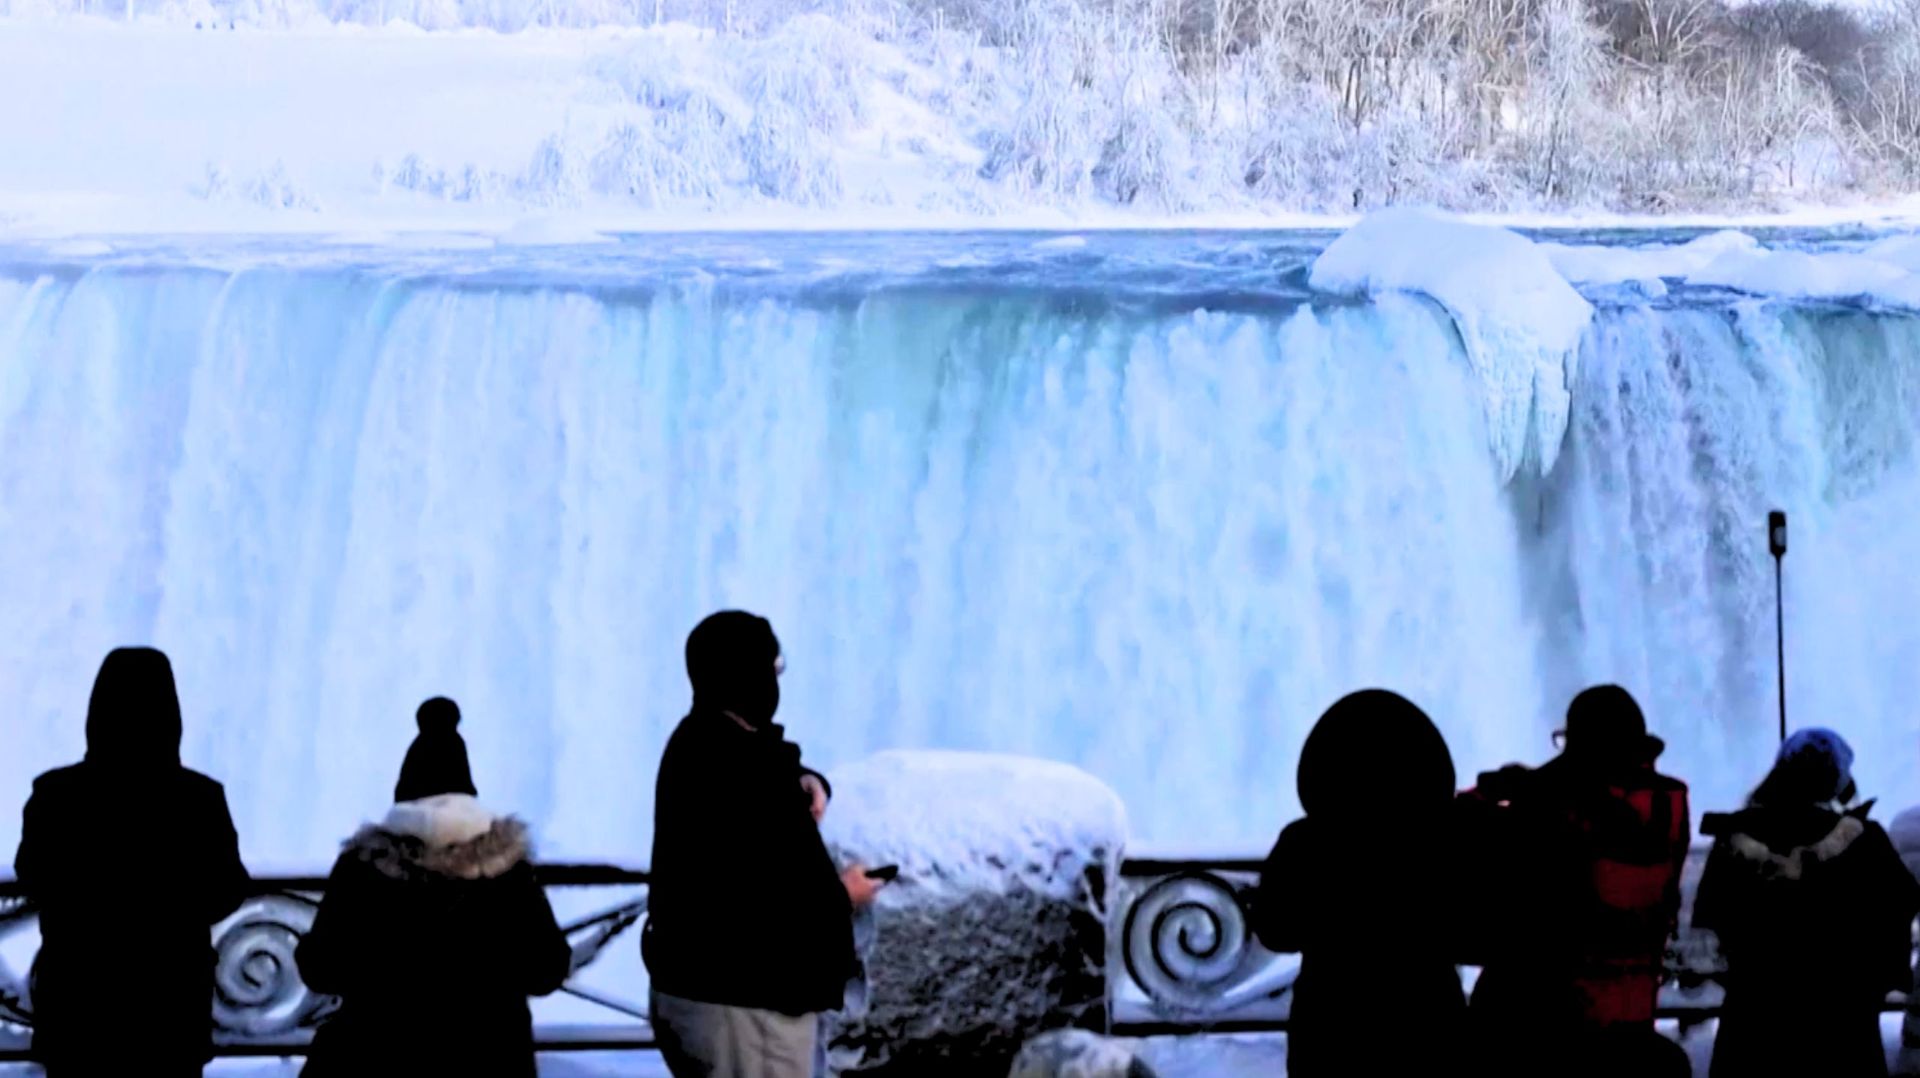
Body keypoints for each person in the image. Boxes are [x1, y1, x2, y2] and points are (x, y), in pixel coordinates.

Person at [646, 611, 882, 1078]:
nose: (776, 681)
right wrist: (845, 895)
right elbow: (764, 900)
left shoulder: (700, 740)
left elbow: (765, 766)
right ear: (747, 674)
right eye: (773, 669)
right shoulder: (741, 769)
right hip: (746, 1007)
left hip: (701, 991)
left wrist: (806, 778)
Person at [295, 697, 571, 1077]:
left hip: (376, 1058)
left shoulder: (361, 866)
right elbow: (548, 969)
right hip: (491, 1059)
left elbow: (322, 968)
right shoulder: (509, 870)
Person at [13, 647, 250, 1077]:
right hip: (168, 1009)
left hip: (78, 1007)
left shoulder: (56, 794)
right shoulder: (199, 798)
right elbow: (227, 889)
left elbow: (32, 874)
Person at [1249, 689, 1472, 1077]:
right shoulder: (1444, 838)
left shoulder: (1306, 840)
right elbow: (1477, 932)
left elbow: (1275, 930)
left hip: (1332, 1024)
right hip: (1428, 1021)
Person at [1462, 683, 1689, 1065]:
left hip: (1557, 1018)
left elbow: (1474, 829)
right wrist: (1536, 783)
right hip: (1633, 1015)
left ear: (1582, 746)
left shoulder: (1556, 809)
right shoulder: (1670, 804)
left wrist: (1504, 790)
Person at [1694, 727, 1920, 1078]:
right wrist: (1875, 985)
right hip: (1844, 1023)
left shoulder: (1732, 840)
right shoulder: (1865, 840)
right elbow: (1900, 905)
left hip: (1754, 1018)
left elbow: (1710, 917)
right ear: (1837, 780)